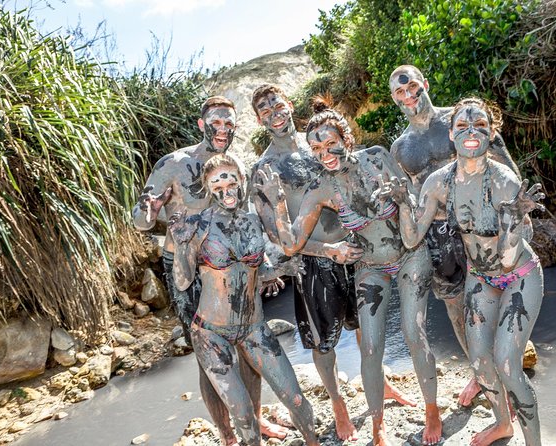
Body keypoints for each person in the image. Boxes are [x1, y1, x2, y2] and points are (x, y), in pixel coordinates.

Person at [255, 97, 441, 446]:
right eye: (316, 148)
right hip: (369, 266)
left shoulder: (377, 157)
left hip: (409, 254)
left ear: (346, 138)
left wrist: (403, 201)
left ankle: (432, 408)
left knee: (413, 334)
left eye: (330, 143)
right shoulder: (321, 187)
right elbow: (291, 243)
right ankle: (377, 425)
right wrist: (278, 202)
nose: (324, 152)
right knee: (370, 347)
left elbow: (413, 202)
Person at [386, 97, 544, 446]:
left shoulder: (503, 180)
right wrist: (401, 204)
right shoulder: (439, 183)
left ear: (491, 132)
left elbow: (508, 257)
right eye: (462, 126)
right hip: (479, 277)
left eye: (480, 126)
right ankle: (503, 423)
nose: (471, 132)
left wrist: (514, 222)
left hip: (518, 274)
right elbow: (412, 239)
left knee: (507, 364)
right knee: (481, 361)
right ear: (451, 133)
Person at [131, 96, 286, 444]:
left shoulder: (233, 167)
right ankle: (227, 434)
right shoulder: (173, 164)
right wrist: (151, 210)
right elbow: (139, 220)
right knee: (206, 355)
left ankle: (254, 420)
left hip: (231, 267)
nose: (222, 129)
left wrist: (265, 265)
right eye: (215, 123)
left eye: (229, 124)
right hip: (186, 268)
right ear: (202, 125)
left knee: (247, 341)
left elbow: (244, 223)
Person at [389, 64, 522, 406]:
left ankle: (507, 370)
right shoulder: (400, 147)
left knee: (492, 297)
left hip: (480, 228)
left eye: (412, 87)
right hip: (438, 237)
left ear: (425, 84)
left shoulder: (460, 120)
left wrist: (514, 221)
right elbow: (410, 202)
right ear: (393, 99)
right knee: (455, 308)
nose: (408, 96)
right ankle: (481, 374)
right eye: (399, 93)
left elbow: (506, 167)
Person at [169, 153, 319, 446]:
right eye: (217, 183)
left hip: (254, 326)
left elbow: (257, 268)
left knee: (296, 398)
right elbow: (183, 280)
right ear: (209, 188)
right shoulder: (198, 225)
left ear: (241, 180)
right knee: (243, 412)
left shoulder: (253, 221)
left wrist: (281, 270)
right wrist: (181, 244)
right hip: (212, 333)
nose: (225, 189)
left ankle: (314, 441)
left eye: (230, 179)